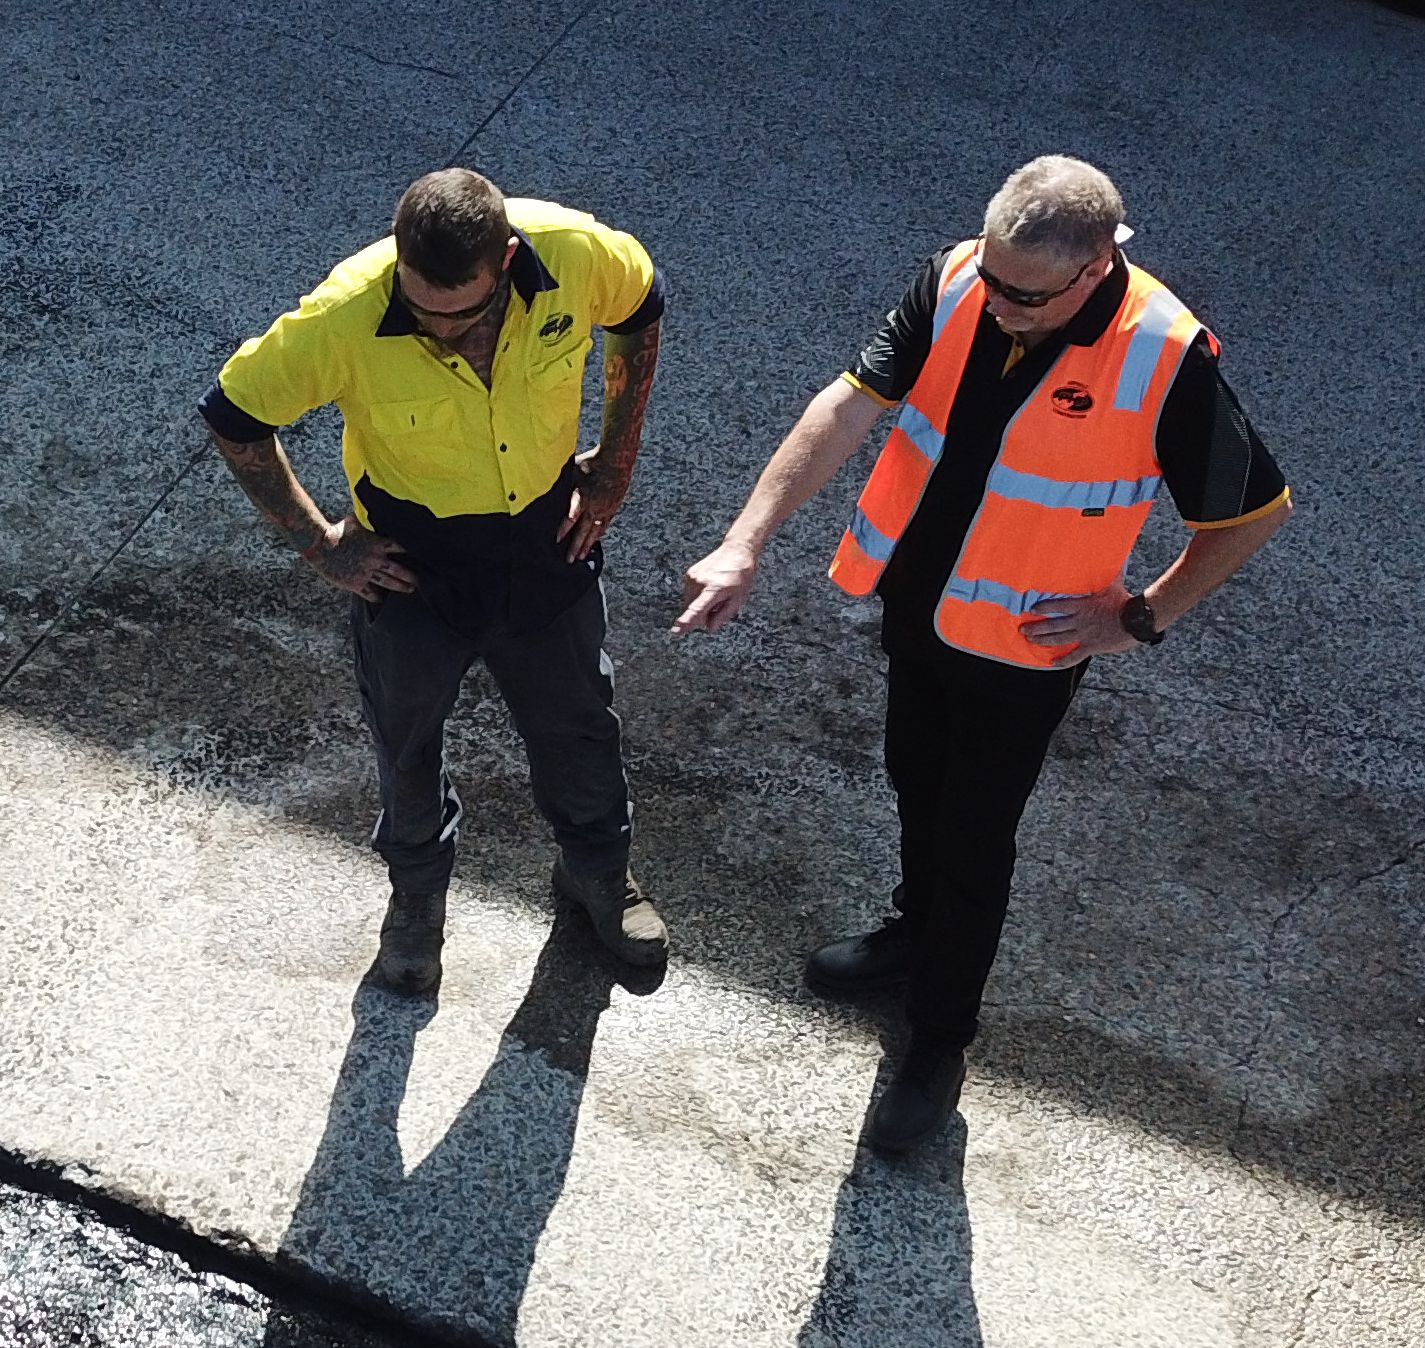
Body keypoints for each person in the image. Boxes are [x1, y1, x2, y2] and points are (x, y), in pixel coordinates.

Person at [675, 155, 1292, 1154]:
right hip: (918, 607)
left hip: (1023, 650)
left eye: (1025, 294)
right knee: (913, 785)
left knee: (972, 837)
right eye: (995, 278)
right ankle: (912, 935)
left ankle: (939, 1041)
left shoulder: (1162, 354)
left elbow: (1250, 514)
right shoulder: (956, 277)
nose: (998, 301)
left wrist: (1138, 616)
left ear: (1096, 267)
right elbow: (846, 407)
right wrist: (746, 538)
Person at [199, 168, 669, 992]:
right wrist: (321, 544)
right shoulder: (343, 315)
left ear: (509, 261)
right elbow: (236, 419)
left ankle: (597, 874)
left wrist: (616, 463)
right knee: (407, 741)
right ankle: (416, 900)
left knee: (580, 723)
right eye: (420, 314)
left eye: (463, 314)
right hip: (414, 563)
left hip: (545, 539)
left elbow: (640, 314)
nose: (442, 333)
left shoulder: (578, 254)